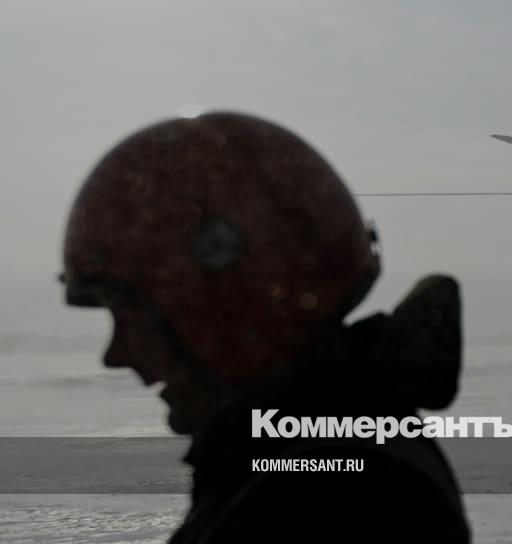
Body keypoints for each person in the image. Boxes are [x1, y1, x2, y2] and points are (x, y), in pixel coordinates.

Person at [59, 111, 472, 543]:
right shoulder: (298, 461)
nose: (115, 355)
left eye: (129, 316)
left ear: (223, 306)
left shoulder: (331, 497)